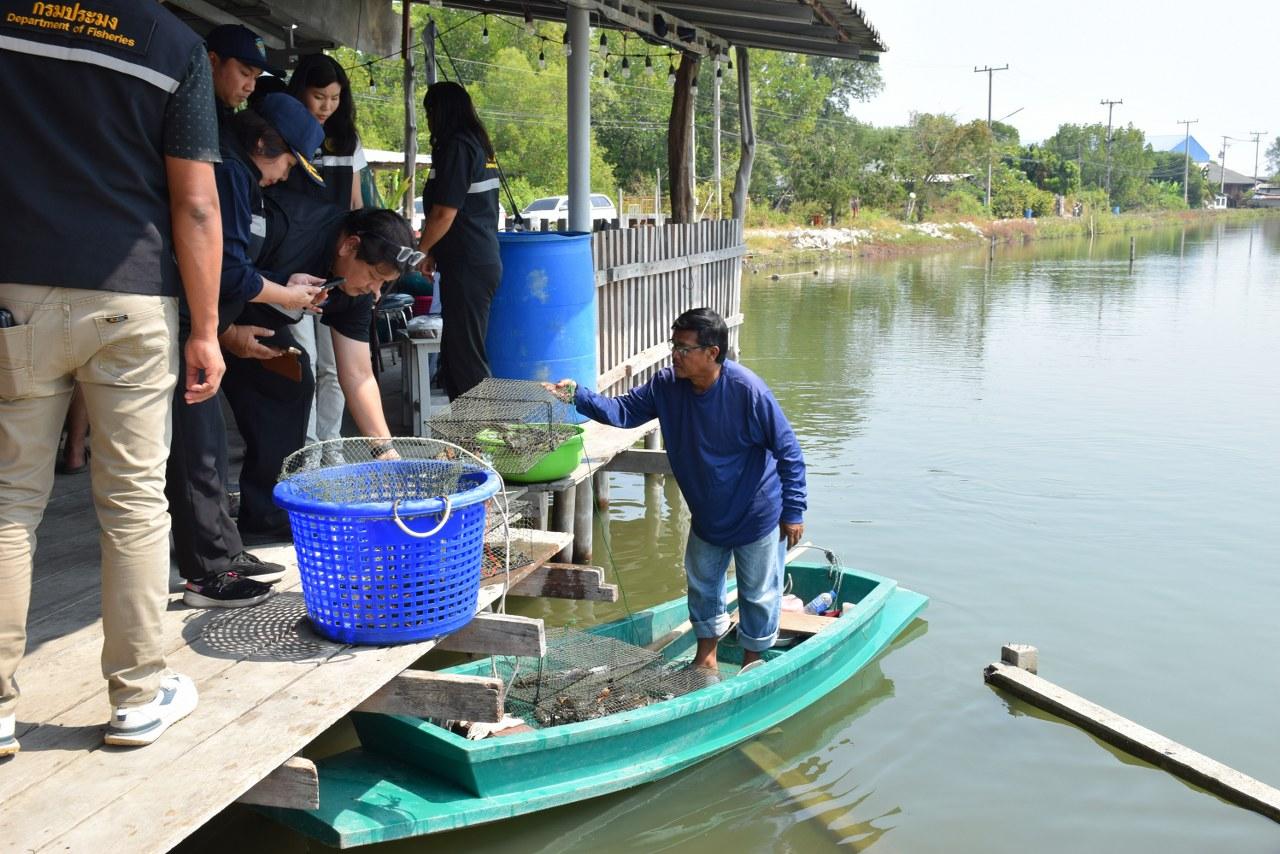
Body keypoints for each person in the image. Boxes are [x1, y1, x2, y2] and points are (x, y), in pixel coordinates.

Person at [0, 1, 224, 753]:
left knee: (7, 504)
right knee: (133, 505)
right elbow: (195, 204)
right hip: (134, 302)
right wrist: (204, 327)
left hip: (17, 293)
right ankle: (135, 697)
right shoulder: (170, 43)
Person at [549, 309, 806, 675]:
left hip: (756, 512)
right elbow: (622, 412)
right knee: (703, 586)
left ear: (712, 353)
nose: (675, 355)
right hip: (707, 513)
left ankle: (753, 660)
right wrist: (578, 396)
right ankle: (706, 657)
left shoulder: (748, 392)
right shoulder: (667, 386)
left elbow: (789, 452)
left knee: (758, 592)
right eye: (674, 346)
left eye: (683, 348)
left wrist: (793, 511)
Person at [167, 93, 328, 609]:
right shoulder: (231, 174)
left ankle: (225, 553)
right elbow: (227, 272)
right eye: (286, 161)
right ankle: (208, 573)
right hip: (187, 325)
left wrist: (285, 282)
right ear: (263, 141)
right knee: (196, 450)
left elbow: (237, 267)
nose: (285, 175)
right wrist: (286, 296)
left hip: (207, 326)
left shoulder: (243, 178)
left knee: (207, 444)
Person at [224, 207, 419, 542]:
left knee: (292, 382)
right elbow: (215, 272)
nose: (375, 290)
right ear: (349, 246)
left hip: (258, 325)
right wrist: (223, 333)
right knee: (204, 435)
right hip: (201, 314)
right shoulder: (292, 234)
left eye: (384, 284)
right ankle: (205, 543)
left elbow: (358, 373)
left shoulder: (358, 290)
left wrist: (384, 450)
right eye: (373, 276)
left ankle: (265, 521)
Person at [284, 52, 368, 449]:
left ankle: (330, 445)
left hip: (337, 265)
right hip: (294, 266)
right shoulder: (284, 135)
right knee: (304, 363)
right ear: (300, 91)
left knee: (333, 367)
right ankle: (305, 451)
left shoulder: (347, 140)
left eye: (334, 98)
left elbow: (354, 204)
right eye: (319, 96)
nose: (327, 106)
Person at [415, 81, 503, 401]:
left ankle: (484, 437)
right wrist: (434, 253)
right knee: (454, 355)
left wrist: (419, 251)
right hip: (470, 260)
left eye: (429, 112)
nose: (428, 121)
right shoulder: (475, 143)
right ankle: (463, 439)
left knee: (466, 359)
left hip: (469, 263)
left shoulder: (457, 146)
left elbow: (444, 213)